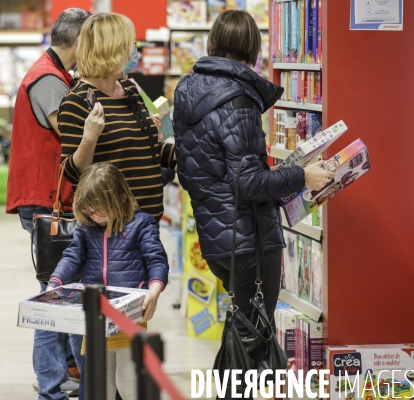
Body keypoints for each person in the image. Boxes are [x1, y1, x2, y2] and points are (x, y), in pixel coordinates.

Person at [172, 10, 334, 329]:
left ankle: (234, 380)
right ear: (252, 49)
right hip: (248, 239)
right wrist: (303, 176)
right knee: (256, 339)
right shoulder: (239, 101)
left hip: (216, 236)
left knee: (242, 330)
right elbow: (247, 182)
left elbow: (201, 168)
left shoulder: (187, 91)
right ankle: (248, 382)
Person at [4, 8, 91, 400]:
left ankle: (60, 383)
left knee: (58, 296)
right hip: (46, 202)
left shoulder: (54, 74)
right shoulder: (47, 80)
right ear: (78, 41)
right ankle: (54, 388)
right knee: (57, 298)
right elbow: (70, 133)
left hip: (48, 199)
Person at [47, 162, 169, 400]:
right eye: (89, 211)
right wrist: (55, 282)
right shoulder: (87, 227)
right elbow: (72, 256)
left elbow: (156, 260)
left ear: (120, 198)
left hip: (129, 318)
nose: (93, 216)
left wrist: (154, 290)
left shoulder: (141, 223)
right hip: (95, 320)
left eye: (99, 210)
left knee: (130, 384)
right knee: (96, 387)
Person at [57, 12, 176, 223]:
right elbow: (72, 174)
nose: (134, 51)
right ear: (112, 50)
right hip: (113, 227)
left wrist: (190, 151)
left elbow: (145, 149)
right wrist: (89, 138)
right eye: (129, 44)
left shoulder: (130, 89)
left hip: (149, 221)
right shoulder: (77, 101)